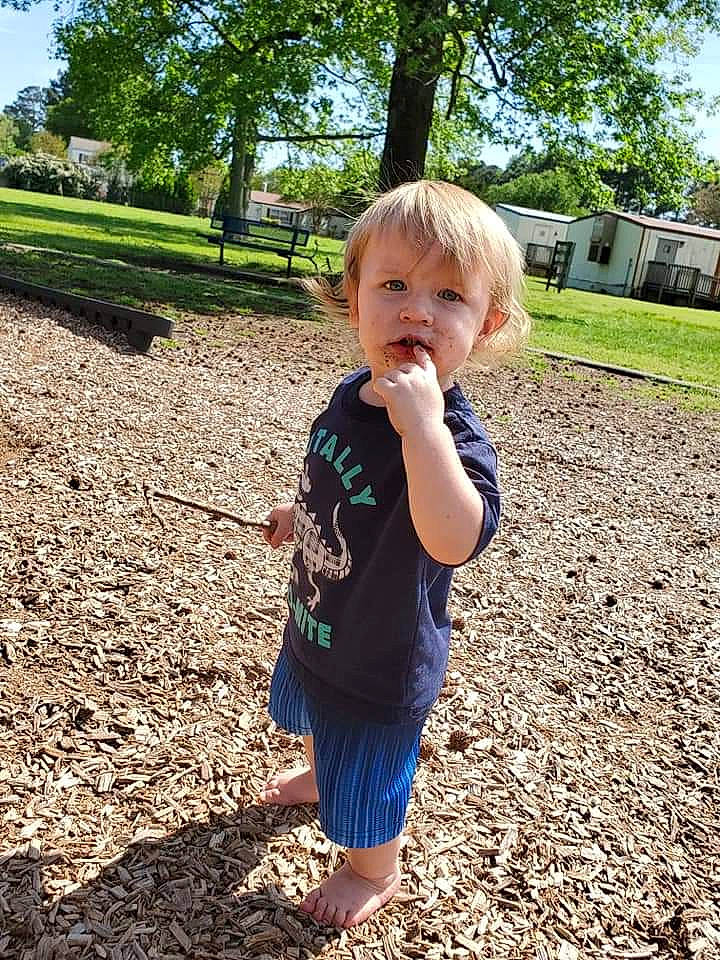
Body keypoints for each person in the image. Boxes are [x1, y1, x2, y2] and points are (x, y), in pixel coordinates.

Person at [259, 180, 530, 929]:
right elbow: (339, 481)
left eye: (449, 295)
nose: (417, 308)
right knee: (315, 710)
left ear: (487, 323)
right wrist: (300, 511)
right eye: (395, 285)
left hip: (379, 660)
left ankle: (374, 870)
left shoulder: (452, 439)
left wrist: (425, 433)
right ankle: (321, 771)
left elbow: (454, 537)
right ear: (355, 299)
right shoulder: (353, 391)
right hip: (318, 622)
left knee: (371, 780)